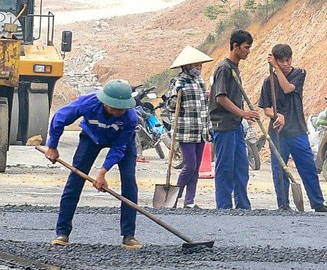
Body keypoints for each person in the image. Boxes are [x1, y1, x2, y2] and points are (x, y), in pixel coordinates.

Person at [46, 78, 143, 248]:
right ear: (105, 102)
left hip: (121, 143)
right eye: (116, 108)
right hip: (91, 137)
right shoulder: (87, 103)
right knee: (75, 180)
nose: (120, 111)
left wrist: (103, 172)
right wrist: (52, 146)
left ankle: (129, 235)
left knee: (129, 181)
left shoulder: (130, 118)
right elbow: (59, 118)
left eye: (123, 108)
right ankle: (62, 232)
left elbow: (119, 148)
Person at [259, 42, 327, 214]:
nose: (285, 64)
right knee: (279, 170)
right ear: (275, 61)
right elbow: (266, 107)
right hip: (278, 133)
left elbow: (287, 88)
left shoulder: (299, 74)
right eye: (281, 61)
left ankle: (318, 203)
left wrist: (276, 68)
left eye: (287, 60)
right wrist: (277, 115)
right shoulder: (268, 82)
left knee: (308, 168)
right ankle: (283, 205)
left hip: (297, 130)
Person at [208, 30, 264, 210]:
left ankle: (242, 206)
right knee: (224, 169)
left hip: (236, 126)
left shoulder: (234, 67)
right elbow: (220, 98)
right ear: (235, 46)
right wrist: (243, 113)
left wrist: (242, 116)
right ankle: (224, 207)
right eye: (246, 47)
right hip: (224, 126)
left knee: (241, 167)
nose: (249, 51)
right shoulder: (224, 68)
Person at [166, 45, 212, 208]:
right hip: (186, 131)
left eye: (200, 65)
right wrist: (175, 97)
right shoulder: (179, 83)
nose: (198, 68)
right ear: (187, 67)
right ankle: (175, 196)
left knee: (196, 168)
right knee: (190, 165)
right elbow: (171, 106)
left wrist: (208, 128)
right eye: (195, 66)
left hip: (200, 130)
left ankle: (189, 201)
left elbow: (205, 107)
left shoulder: (200, 82)